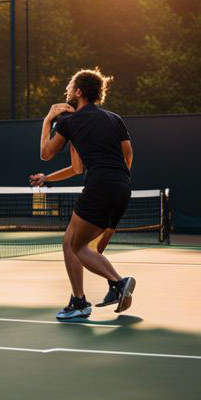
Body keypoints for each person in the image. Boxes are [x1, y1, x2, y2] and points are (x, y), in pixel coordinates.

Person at [38, 68, 138, 321]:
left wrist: (47, 121)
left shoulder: (67, 122)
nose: (67, 91)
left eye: (71, 87)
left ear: (79, 92)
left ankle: (118, 282)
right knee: (70, 241)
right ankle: (78, 300)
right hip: (123, 187)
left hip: (100, 186)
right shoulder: (115, 118)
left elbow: (46, 154)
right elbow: (127, 155)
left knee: (77, 245)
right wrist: (115, 179)